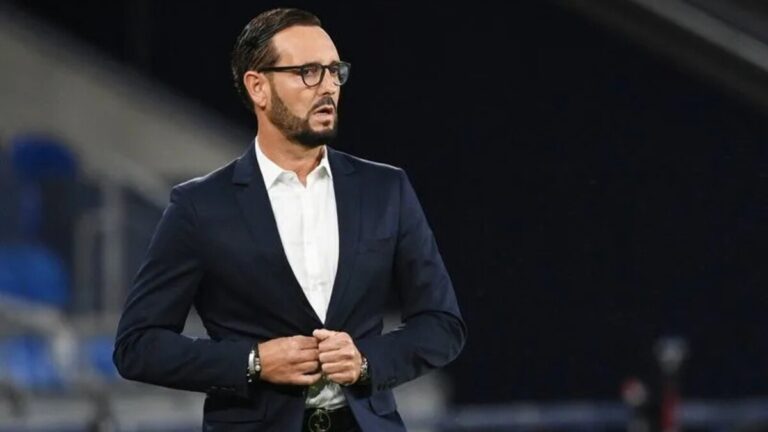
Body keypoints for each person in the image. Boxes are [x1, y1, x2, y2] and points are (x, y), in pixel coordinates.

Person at [113, 7, 466, 432]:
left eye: (335, 71)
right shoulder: (199, 207)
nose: (329, 87)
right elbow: (138, 345)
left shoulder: (385, 190)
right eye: (308, 72)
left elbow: (442, 324)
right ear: (258, 87)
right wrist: (254, 362)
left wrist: (367, 361)